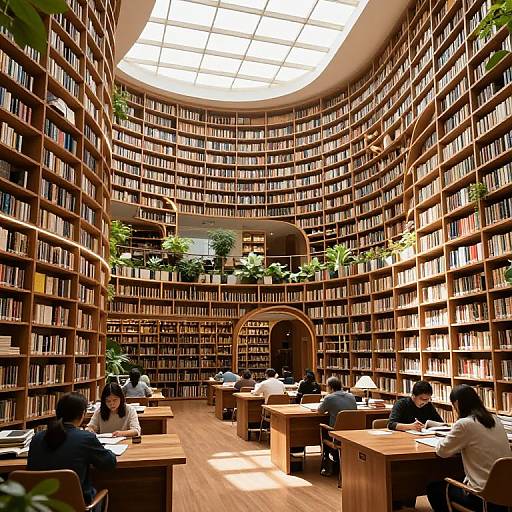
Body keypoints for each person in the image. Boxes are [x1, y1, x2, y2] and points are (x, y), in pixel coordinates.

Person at [427, 385, 510, 512]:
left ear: (457, 403)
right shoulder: (495, 419)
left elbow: (442, 451)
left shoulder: (464, 424)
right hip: (504, 494)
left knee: (434, 488)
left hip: (481, 496)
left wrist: (443, 440)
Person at [28, 392, 116, 505]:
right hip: (76, 505)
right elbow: (109, 463)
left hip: (39, 506)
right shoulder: (85, 438)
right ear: (82, 414)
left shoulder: (36, 438)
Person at [318, 376, 357, 476]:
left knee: (322, 430)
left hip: (337, 435)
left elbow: (320, 411)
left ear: (330, 387)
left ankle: (329, 467)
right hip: (353, 434)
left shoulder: (329, 398)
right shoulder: (351, 396)